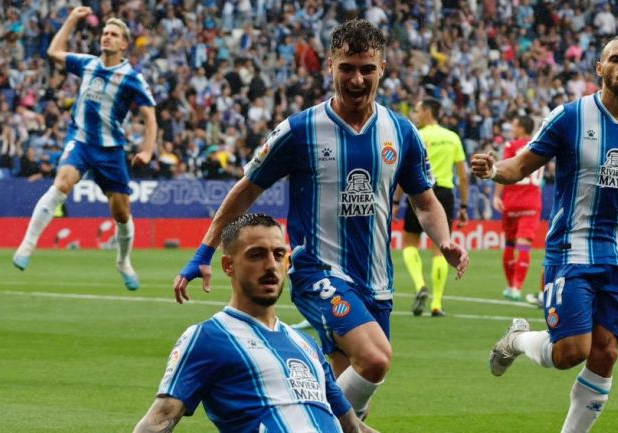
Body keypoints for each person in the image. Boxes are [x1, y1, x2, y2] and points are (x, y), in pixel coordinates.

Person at [173, 19, 469, 419]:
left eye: (367, 68)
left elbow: (426, 202)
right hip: (317, 272)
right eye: (347, 67)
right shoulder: (299, 130)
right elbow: (245, 189)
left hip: (377, 283)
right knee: (376, 359)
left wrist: (444, 240)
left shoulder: (401, 132)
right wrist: (202, 252)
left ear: (382, 68)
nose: (357, 78)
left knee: (349, 395)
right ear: (330, 65)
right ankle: (306, 422)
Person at [471, 37, 618, 433]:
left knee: (605, 354)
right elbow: (522, 165)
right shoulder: (569, 117)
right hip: (570, 250)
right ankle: (515, 340)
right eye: (616, 59)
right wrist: (494, 170)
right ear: (600, 68)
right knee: (570, 352)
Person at [134, 214, 379, 433]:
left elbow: (352, 426)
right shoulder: (208, 337)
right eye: (257, 254)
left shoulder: (305, 344)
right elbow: (160, 418)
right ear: (228, 265)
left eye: (278, 254)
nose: (271, 265)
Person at [12, 7, 157, 290]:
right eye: (104, 33)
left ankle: (123, 261)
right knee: (62, 182)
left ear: (124, 44)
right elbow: (54, 52)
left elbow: (151, 116)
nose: (107, 37)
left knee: (121, 213)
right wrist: (71, 20)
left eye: (114, 34)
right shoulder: (87, 63)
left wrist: (148, 150)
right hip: (79, 140)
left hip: (111, 150)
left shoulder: (131, 78)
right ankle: (28, 244)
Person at [393, 97, 469, 317]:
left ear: (428, 111)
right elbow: (463, 176)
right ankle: (436, 303)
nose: (416, 115)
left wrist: (397, 202)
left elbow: (403, 172)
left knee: (409, 242)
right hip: (445, 192)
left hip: (420, 191)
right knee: (441, 248)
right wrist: (464, 205)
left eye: (417, 110)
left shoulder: (416, 135)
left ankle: (419, 286)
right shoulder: (452, 137)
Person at [492, 115, 542, 302]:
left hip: (512, 199)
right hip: (531, 201)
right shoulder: (540, 143)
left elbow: (502, 170)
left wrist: (497, 196)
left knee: (510, 244)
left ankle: (510, 285)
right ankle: (517, 287)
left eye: (514, 125)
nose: (512, 128)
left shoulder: (511, 146)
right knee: (523, 245)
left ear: (521, 128)